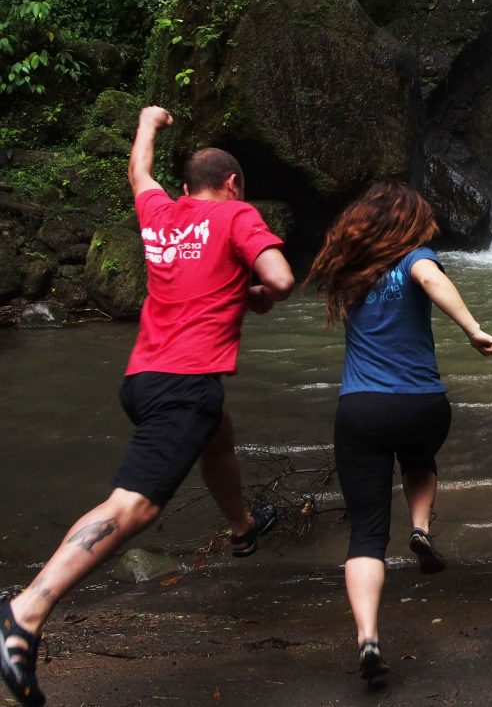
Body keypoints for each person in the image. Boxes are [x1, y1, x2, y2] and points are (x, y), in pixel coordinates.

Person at [0, 106, 295, 707]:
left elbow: (138, 171)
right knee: (133, 506)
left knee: (218, 431)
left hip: (144, 376)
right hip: (184, 383)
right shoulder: (237, 214)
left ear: (184, 189)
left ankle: (242, 527)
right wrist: (254, 293)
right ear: (233, 183)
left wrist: (146, 122)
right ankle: (24, 613)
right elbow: (283, 279)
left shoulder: (161, 212)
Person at [305, 179, 492, 682]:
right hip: (422, 405)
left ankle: (368, 637)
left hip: (362, 408)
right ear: (412, 221)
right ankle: (421, 528)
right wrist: (473, 328)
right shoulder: (417, 258)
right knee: (419, 460)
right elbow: (433, 281)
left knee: (366, 533)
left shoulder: (347, 270)